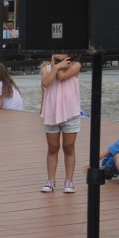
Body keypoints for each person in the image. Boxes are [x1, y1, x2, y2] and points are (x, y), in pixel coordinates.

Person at [40, 54, 82, 193]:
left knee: (69, 147)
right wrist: (55, 66)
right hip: (52, 113)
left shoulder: (76, 65)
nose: (59, 53)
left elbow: (62, 76)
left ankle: (69, 181)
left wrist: (58, 67)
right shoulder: (45, 68)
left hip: (70, 112)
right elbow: (46, 83)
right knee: (53, 147)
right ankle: (51, 181)